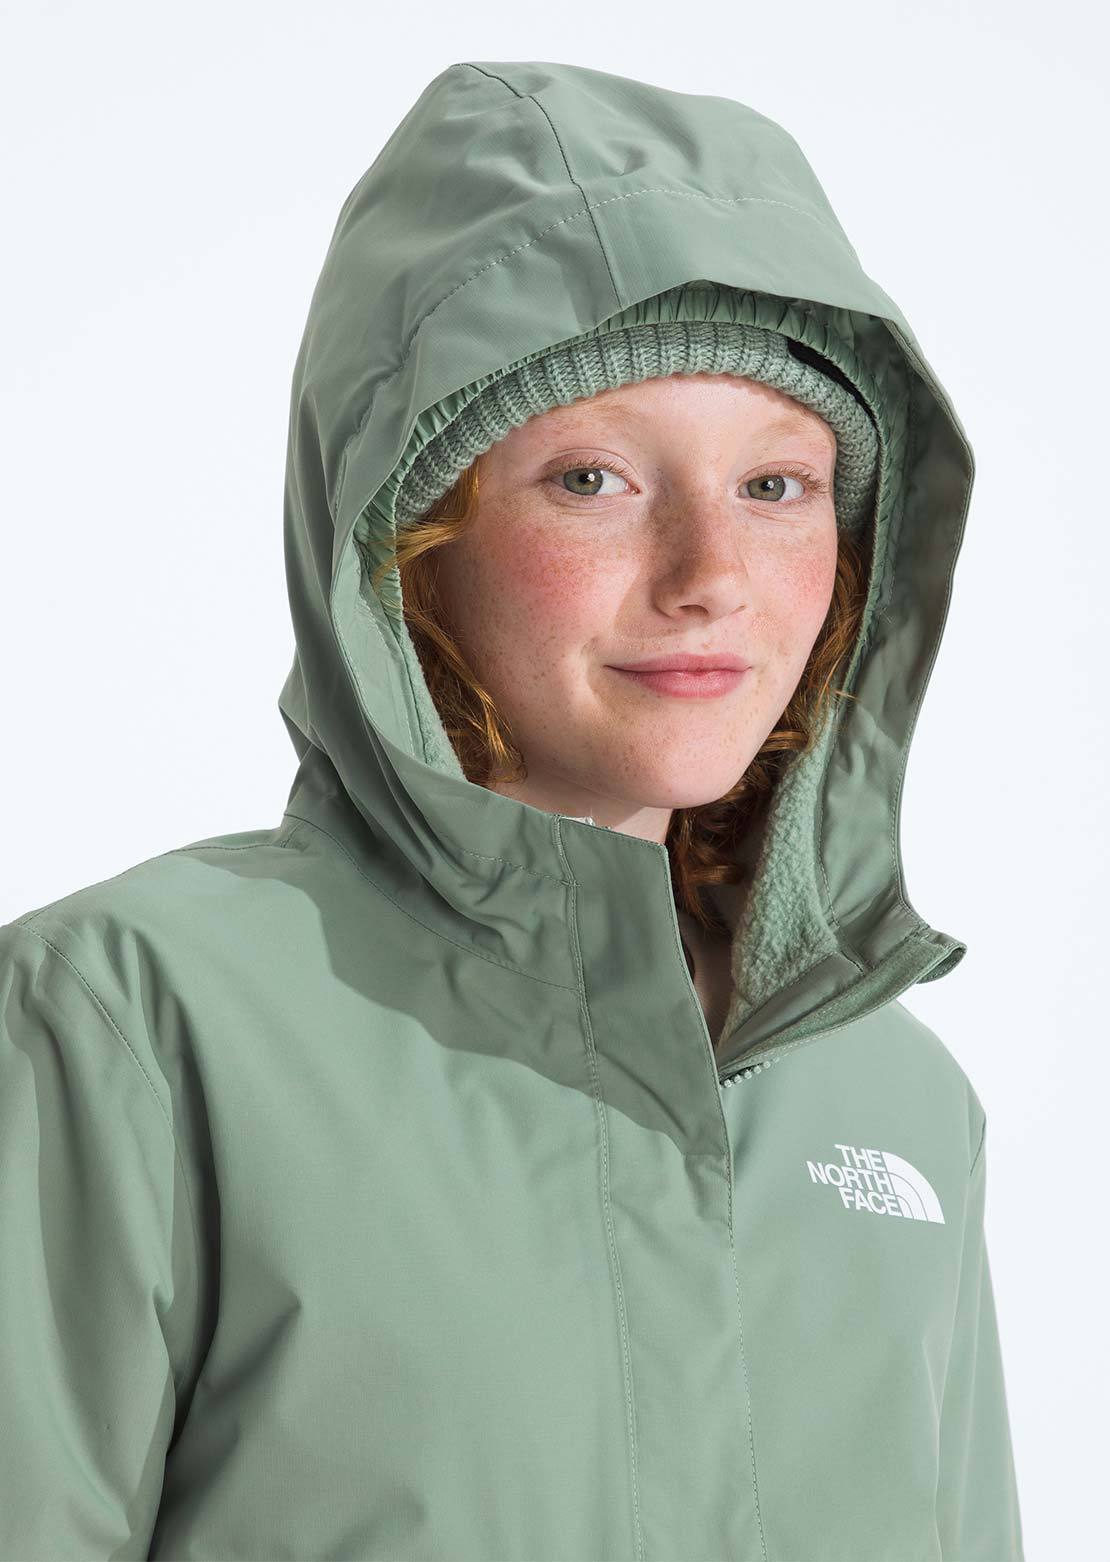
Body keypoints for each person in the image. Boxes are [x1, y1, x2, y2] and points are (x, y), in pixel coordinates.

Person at [0, 59, 1024, 1562]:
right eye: (592, 477)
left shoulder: (891, 1096)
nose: (710, 576)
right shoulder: (132, 1020)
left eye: (776, 486)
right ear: (407, 533)